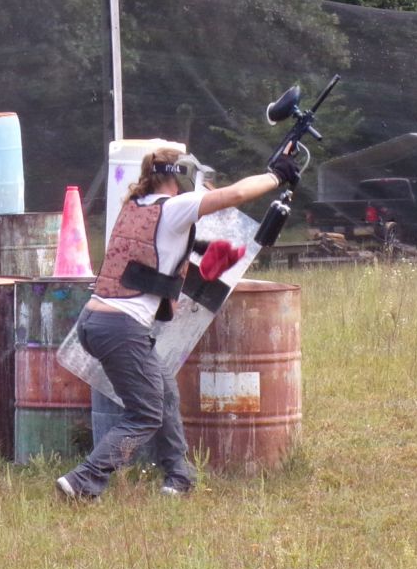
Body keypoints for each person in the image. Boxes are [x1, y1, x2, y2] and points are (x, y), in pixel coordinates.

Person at [56, 146, 300, 500]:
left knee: (165, 391)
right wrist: (276, 176)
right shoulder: (174, 208)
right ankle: (84, 479)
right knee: (145, 414)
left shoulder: (136, 205)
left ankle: (178, 476)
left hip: (94, 321)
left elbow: (196, 221)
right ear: (180, 175)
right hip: (121, 328)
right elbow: (235, 195)